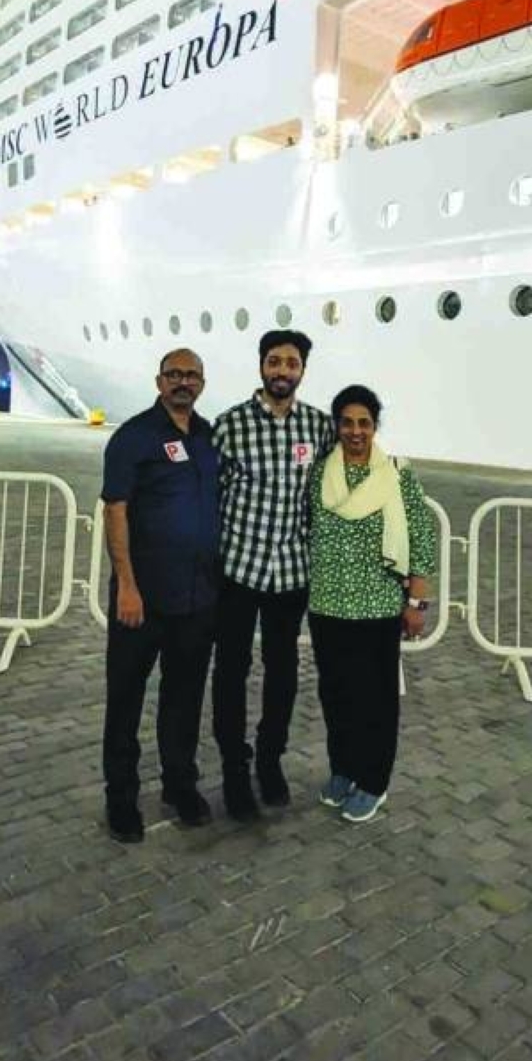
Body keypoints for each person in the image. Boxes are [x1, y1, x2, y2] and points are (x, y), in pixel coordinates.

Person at [211, 330, 333, 819]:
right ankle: (234, 770)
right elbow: (212, 496)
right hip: (239, 570)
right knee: (231, 672)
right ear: (261, 365)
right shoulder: (230, 426)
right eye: (275, 362)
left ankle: (269, 759)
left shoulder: (318, 427)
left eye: (291, 363)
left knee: (283, 672)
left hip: (290, 574)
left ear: (302, 370)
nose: (283, 371)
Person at [100, 348, 219, 843]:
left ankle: (179, 784)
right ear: (159, 379)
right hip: (142, 599)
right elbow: (116, 510)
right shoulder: (134, 437)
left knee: (184, 698)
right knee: (126, 700)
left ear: (202, 383)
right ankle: (121, 798)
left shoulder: (209, 437)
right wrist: (126, 585)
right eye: (174, 374)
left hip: (197, 599)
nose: (182, 383)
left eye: (191, 376)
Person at [307, 384, 436, 825]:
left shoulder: (397, 475)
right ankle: (342, 769)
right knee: (335, 694)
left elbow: (421, 538)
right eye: (347, 422)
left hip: (378, 608)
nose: (356, 431)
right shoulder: (320, 471)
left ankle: (373, 781)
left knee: (375, 701)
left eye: (364, 423)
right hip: (327, 605)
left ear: (375, 426)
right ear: (336, 426)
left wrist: (417, 601)